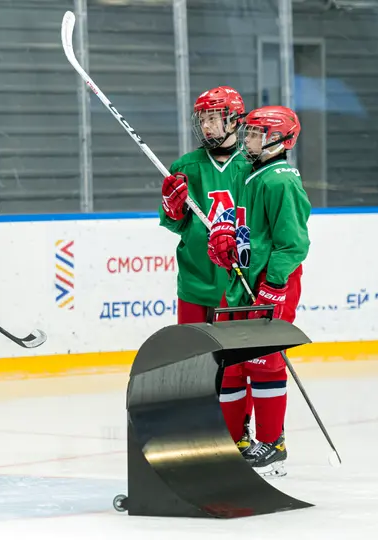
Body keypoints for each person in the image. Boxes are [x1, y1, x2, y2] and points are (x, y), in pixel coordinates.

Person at [207, 105, 311, 477]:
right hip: (242, 280)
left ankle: (272, 443)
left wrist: (275, 285)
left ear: (281, 140)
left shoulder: (280, 180)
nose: (247, 139)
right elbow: (244, 226)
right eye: (247, 132)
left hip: (270, 285)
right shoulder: (252, 173)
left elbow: (293, 242)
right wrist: (226, 242)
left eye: (256, 134)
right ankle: (235, 440)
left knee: (263, 363)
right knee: (233, 365)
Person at [157, 85, 255, 453]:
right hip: (196, 279)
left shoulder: (252, 165)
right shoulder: (186, 165)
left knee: (236, 365)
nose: (208, 127)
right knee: (195, 363)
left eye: (215, 118)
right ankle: (198, 432)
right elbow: (174, 225)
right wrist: (172, 209)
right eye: (203, 119)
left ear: (234, 120)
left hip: (237, 282)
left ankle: (236, 434)